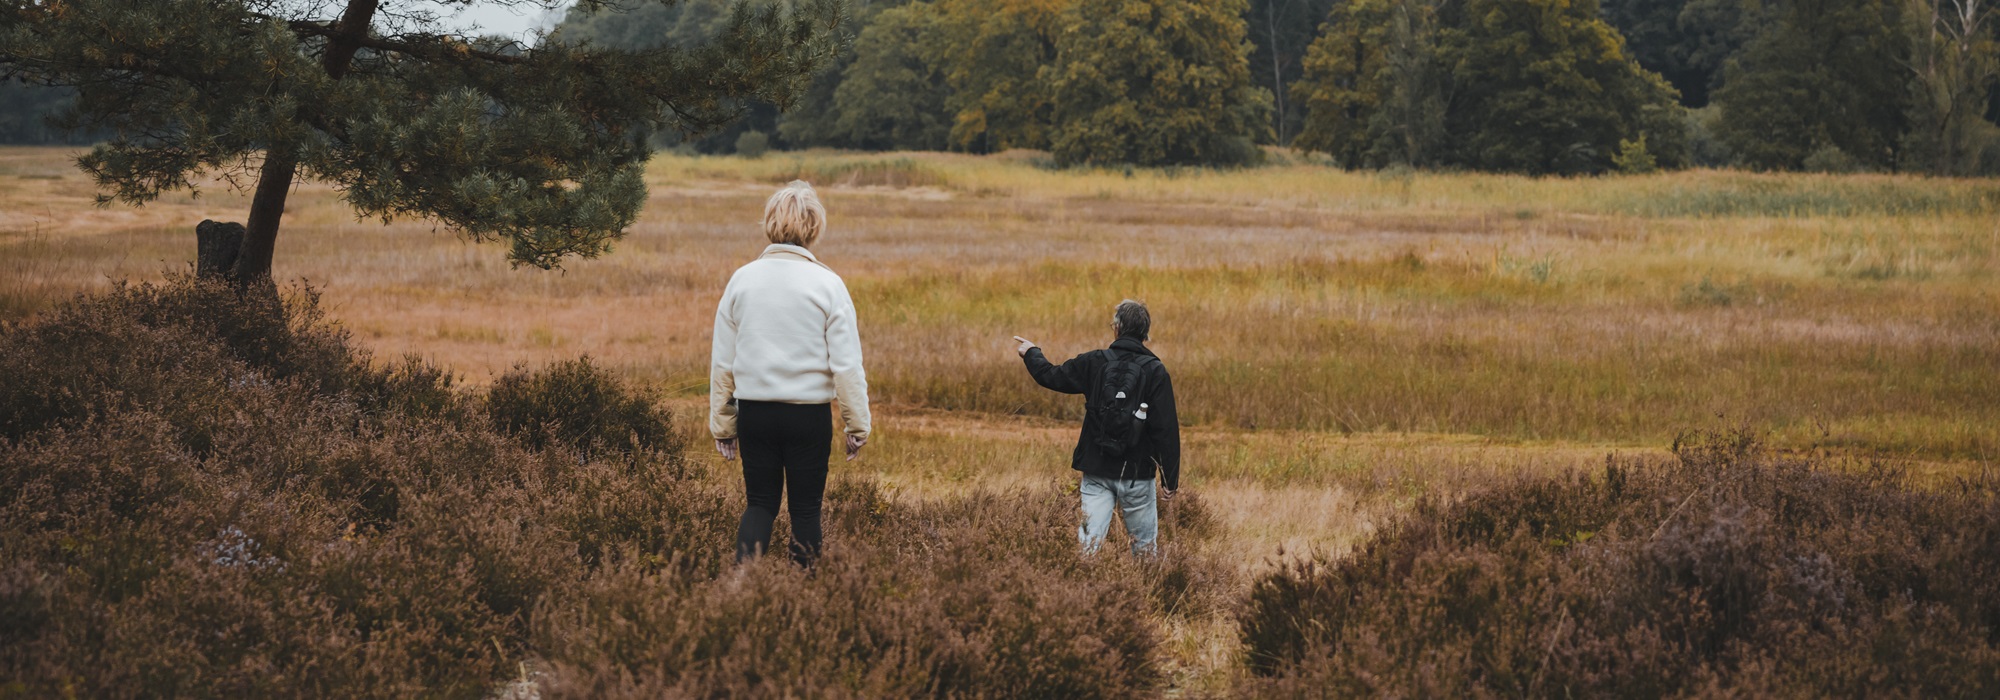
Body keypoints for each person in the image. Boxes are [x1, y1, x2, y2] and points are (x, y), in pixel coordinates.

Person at [710, 180, 870, 567]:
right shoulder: (829, 284)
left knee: (759, 504)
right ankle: (802, 592)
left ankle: (742, 585)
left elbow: (723, 363)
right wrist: (857, 424)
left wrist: (723, 424)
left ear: (769, 223)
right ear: (815, 227)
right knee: (806, 510)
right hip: (808, 417)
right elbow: (847, 365)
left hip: (755, 414)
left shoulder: (741, 280)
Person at [1013, 300, 1181, 556]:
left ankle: (1084, 582)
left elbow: (1051, 376)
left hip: (1096, 469)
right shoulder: (1155, 371)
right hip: (1137, 474)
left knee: (1088, 546)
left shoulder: (1094, 362)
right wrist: (1170, 479)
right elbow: (1165, 429)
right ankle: (1146, 583)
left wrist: (1031, 352)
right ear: (1145, 333)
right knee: (1145, 551)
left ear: (1117, 328)